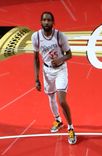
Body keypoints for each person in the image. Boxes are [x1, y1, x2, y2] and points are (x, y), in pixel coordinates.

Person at [32, 11, 76, 145]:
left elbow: (69, 54)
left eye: (49, 20)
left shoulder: (59, 36)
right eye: (44, 20)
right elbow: (35, 58)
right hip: (47, 72)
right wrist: (36, 78)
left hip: (60, 70)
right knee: (51, 97)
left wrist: (60, 59)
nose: (46, 22)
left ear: (53, 22)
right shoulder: (36, 37)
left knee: (61, 100)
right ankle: (58, 120)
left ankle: (71, 128)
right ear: (41, 22)